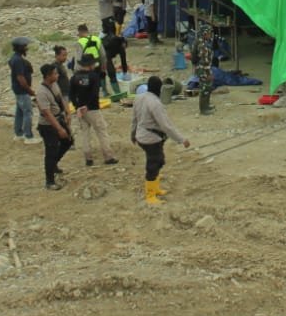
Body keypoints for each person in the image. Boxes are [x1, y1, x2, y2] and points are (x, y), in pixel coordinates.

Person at [130, 75, 190, 205]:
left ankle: (155, 188)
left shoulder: (139, 98)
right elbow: (166, 126)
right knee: (153, 164)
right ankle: (150, 195)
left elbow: (134, 119)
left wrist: (133, 134)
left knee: (160, 160)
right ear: (159, 89)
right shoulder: (155, 103)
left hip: (141, 136)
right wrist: (182, 139)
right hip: (151, 139)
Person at [68, 54, 118, 166]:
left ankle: (88, 158)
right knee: (101, 131)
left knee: (85, 133)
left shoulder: (75, 77)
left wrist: (78, 107)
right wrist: (87, 106)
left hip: (80, 109)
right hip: (93, 109)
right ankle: (108, 156)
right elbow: (94, 94)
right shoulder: (94, 76)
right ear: (91, 65)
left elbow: (71, 94)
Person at [35, 63, 73, 190]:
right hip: (48, 125)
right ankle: (49, 181)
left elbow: (61, 98)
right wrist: (59, 128)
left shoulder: (54, 84)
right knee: (50, 151)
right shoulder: (41, 92)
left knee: (68, 141)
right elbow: (47, 113)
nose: (57, 75)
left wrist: (67, 112)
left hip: (59, 118)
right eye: (55, 73)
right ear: (48, 76)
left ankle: (54, 164)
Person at [8, 37, 40, 145]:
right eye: (25, 46)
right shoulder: (18, 61)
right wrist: (29, 90)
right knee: (28, 112)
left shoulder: (14, 58)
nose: (26, 48)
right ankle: (28, 136)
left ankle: (18, 134)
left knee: (20, 112)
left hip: (18, 90)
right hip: (22, 90)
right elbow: (21, 78)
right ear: (20, 47)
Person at [76, 24, 107, 93]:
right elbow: (103, 55)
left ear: (80, 32)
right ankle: (99, 95)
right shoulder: (97, 39)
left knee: (86, 84)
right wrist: (103, 65)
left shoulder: (80, 42)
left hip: (86, 67)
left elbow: (79, 57)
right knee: (96, 83)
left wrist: (77, 70)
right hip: (97, 65)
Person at [194, 22, 216, 115]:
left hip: (203, 68)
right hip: (203, 69)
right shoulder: (202, 45)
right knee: (205, 88)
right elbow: (204, 60)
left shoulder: (201, 41)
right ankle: (203, 109)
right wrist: (209, 73)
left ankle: (206, 105)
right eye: (208, 33)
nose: (210, 35)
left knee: (208, 87)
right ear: (204, 33)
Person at [102, 16, 129, 81]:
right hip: (117, 44)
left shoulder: (103, 38)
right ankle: (125, 73)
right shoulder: (120, 39)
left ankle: (113, 79)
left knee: (108, 60)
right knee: (122, 55)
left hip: (108, 47)